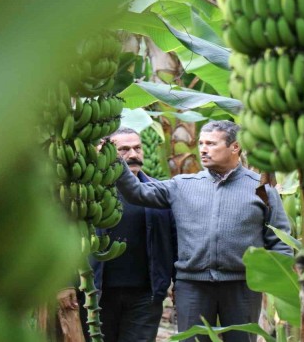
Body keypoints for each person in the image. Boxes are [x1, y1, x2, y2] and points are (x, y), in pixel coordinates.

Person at [115, 120, 293, 342]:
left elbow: (278, 237)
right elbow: (136, 192)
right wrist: (115, 160)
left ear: (235, 147)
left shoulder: (260, 188)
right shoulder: (181, 185)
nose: (203, 149)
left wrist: (278, 281)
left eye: (211, 143)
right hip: (192, 286)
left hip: (242, 287)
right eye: (200, 143)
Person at [89, 127, 177, 342]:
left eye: (137, 148)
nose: (133, 155)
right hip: (98, 293)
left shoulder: (160, 192)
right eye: (124, 149)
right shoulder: (90, 193)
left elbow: (175, 242)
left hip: (146, 295)